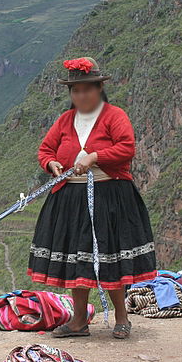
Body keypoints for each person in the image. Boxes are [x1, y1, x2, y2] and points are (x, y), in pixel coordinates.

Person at [28, 56, 157, 339]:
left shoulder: (114, 116)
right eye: (76, 90)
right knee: (78, 259)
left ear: (99, 88)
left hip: (109, 196)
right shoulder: (65, 120)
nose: (81, 94)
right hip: (71, 198)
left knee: (109, 258)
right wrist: (51, 164)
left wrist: (96, 156)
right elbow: (45, 150)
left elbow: (126, 148)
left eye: (86, 88)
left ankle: (122, 319)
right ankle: (78, 321)